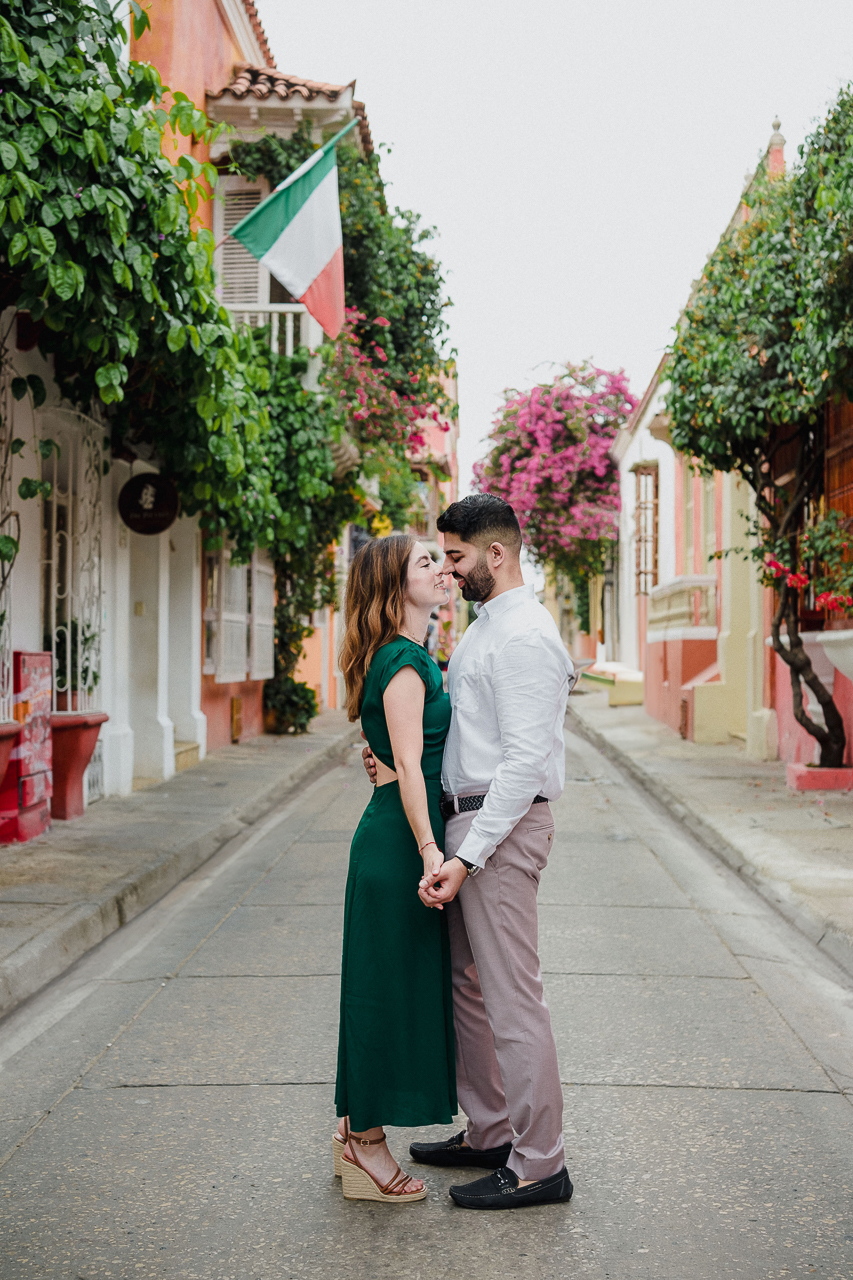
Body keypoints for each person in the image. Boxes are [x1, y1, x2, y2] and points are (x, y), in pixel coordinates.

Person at [363, 494, 575, 1210]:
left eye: (454, 557)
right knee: (471, 991)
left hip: (499, 831)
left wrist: (467, 855)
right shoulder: (487, 629)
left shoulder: (524, 638)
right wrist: (397, 769)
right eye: (441, 558)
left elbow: (520, 763)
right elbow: (465, 736)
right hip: (467, 823)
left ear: (495, 553)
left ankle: (540, 1162)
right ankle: (489, 1131)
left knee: (514, 999)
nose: (448, 571)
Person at [333, 533, 457, 1204]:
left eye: (441, 560)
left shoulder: (404, 657)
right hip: (401, 845)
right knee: (384, 997)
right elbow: (408, 765)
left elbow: (392, 756)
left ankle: (356, 1129)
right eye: (426, 563)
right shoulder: (404, 662)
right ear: (393, 584)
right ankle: (366, 1143)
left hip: (395, 834)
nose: (441, 569)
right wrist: (430, 851)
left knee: (387, 990)